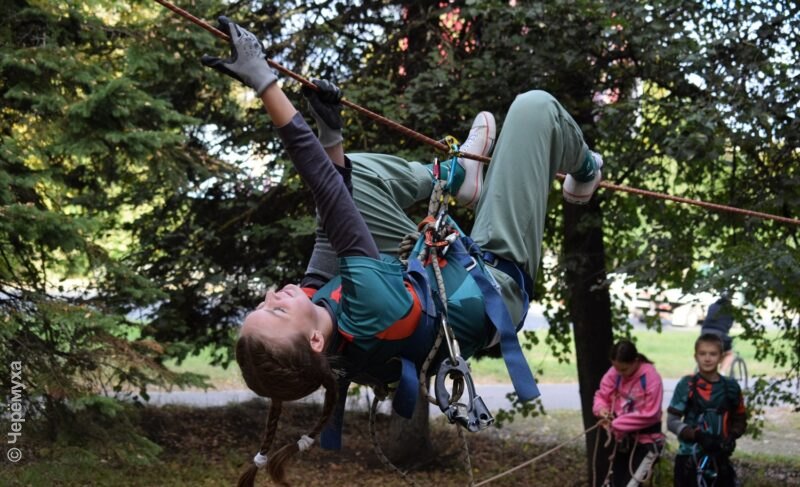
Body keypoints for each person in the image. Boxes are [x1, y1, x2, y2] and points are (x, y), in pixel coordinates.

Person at [200, 16, 604, 486]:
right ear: (313, 342)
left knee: (355, 173)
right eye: (274, 312)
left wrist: (331, 137)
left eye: (262, 303)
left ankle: (458, 176)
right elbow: (329, 195)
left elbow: (333, 221)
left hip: (439, 268)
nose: (273, 295)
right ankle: (586, 168)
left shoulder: (319, 307)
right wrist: (264, 83)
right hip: (494, 279)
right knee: (534, 108)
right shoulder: (367, 310)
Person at [668, 333, 747, 487]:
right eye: (702, 354)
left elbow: (740, 417)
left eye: (713, 354)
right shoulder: (687, 384)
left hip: (720, 457)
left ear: (721, 357)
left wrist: (732, 436)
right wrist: (697, 435)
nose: (707, 358)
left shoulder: (731, 387)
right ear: (695, 356)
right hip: (690, 457)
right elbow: (672, 421)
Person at [593, 340, 665, 486]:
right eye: (616, 368)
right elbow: (602, 396)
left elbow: (651, 413)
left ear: (635, 361)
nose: (619, 373)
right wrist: (602, 410)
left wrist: (616, 423)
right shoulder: (615, 372)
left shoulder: (651, 378)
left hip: (646, 442)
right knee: (612, 484)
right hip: (623, 441)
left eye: (624, 369)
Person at [700, 292, 736, 374]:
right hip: (719, 334)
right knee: (729, 354)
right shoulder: (730, 309)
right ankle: (722, 373)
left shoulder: (712, 306)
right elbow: (729, 324)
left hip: (704, 332)